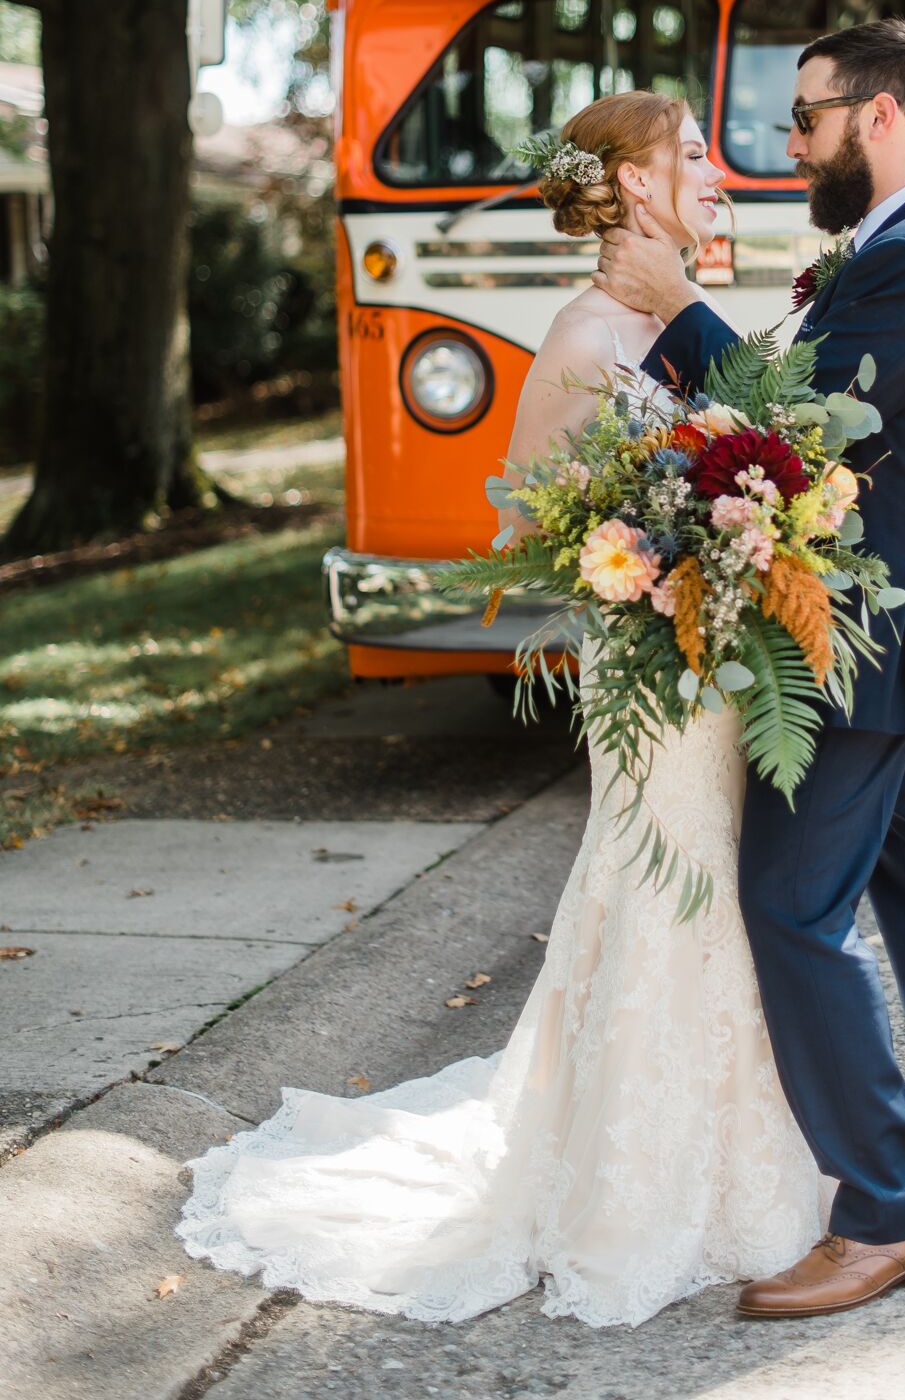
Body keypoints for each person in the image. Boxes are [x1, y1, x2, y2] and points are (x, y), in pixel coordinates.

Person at [175, 91, 830, 1330]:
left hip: (711, 668)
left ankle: (726, 1153)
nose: (713, 165)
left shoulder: (688, 321)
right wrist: (633, 560)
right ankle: (628, 1189)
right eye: (689, 150)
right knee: (660, 895)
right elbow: (525, 524)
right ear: (633, 186)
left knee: (714, 894)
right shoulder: (585, 336)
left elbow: (752, 446)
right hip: (649, 675)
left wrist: (730, 547)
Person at [592, 19, 905, 1319]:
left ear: (876, 117)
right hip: (900, 635)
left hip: (859, 644)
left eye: (805, 116)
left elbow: (786, 431)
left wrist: (672, 309)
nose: (789, 143)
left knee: (786, 910)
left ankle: (885, 1211)